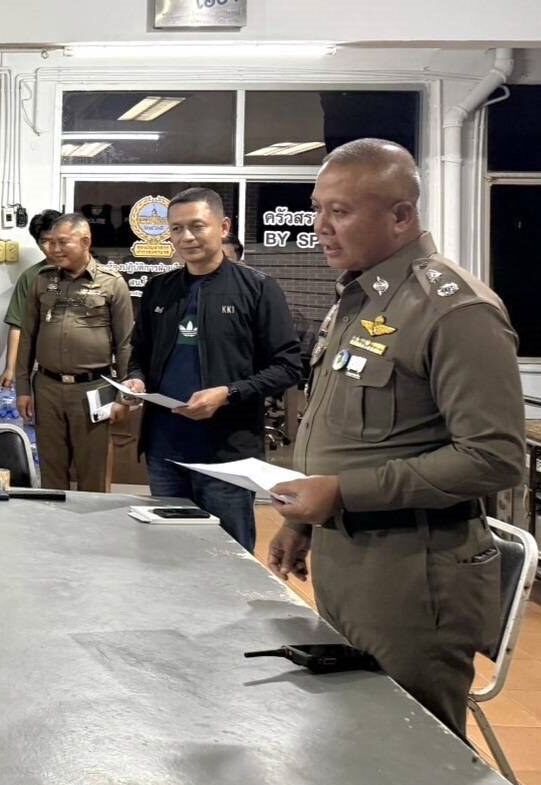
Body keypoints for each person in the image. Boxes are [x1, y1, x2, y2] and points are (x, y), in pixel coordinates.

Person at [266, 139, 525, 739]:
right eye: (317, 208)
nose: (320, 226)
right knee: (355, 734)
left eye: (340, 211)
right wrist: (309, 522)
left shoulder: (453, 310)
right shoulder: (359, 299)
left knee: (414, 751)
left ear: (402, 215)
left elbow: (493, 458)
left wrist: (343, 493)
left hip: (415, 576)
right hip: (350, 558)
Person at [123, 188, 301, 553]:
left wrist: (229, 393)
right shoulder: (159, 290)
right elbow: (139, 353)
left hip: (227, 456)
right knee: (168, 553)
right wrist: (135, 379)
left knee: (228, 556)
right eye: (176, 229)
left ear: (223, 227)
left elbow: (288, 367)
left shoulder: (258, 289)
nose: (186, 237)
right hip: (165, 452)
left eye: (197, 226)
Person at [16, 213, 134, 492]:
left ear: (85, 242)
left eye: (62, 243)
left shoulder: (112, 282)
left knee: (93, 471)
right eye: (51, 243)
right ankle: (52, 520)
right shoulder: (41, 280)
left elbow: (125, 343)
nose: (54, 249)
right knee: (51, 471)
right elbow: (27, 336)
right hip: (47, 387)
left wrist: (125, 396)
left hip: (94, 388)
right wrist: (23, 389)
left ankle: (91, 522)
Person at [0, 209, 62, 388]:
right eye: (44, 241)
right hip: (43, 367)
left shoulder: (89, 274)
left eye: (57, 240)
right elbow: (17, 325)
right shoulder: (31, 276)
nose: (51, 247)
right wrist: (10, 368)